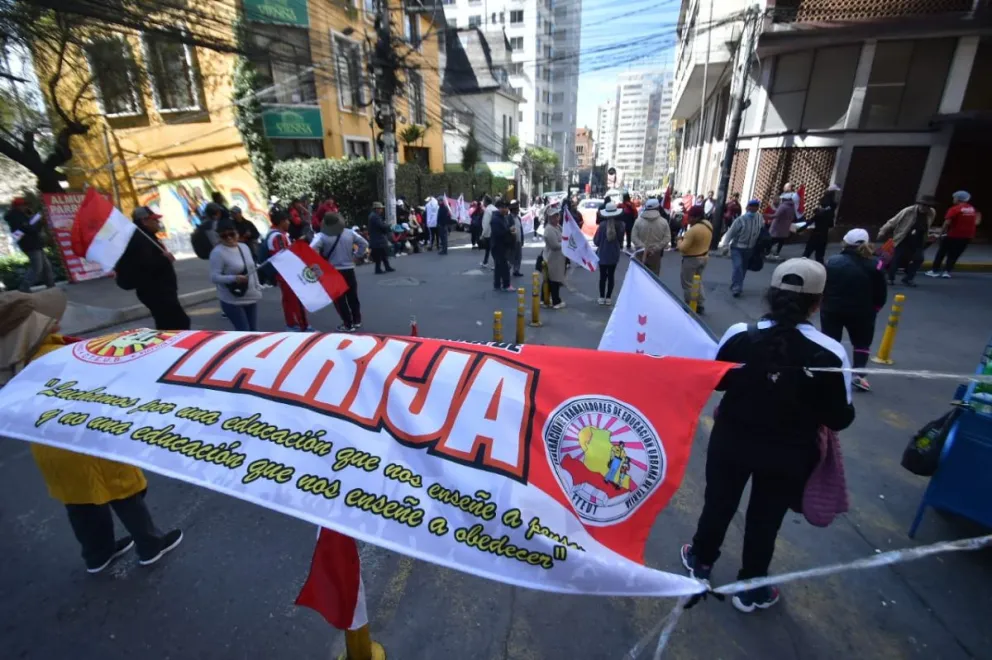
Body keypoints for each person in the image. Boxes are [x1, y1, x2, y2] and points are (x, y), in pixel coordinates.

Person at [681, 258, 855, 612]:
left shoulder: (739, 335)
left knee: (719, 503)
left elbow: (717, 382)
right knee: (765, 518)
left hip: (731, 441)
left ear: (770, 294)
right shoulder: (831, 353)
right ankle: (751, 587)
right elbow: (839, 418)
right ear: (817, 302)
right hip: (789, 453)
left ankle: (701, 561)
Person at [0, 289, 183, 573]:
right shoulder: (60, 355)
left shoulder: (12, 366)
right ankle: (150, 544)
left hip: (49, 447)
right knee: (124, 492)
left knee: (79, 501)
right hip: (88, 438)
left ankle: (98, 554)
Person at [822, 229, 887, 392]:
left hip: (832, 309)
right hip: (862, 312)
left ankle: (830, 372)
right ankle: (859, 375)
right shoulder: (876, 264)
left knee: (831, 341)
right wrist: (875, 308)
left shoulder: (832, 261)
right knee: (861, 343)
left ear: (845, 243)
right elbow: (881, 292)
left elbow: (824, 286)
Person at [115, 207, 190, 330]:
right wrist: (165, 259)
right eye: (154, 220)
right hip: (157, 292)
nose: (158, 223)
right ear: (144, 221)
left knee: (170, 324)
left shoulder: (145, 236)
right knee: (178, 324)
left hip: (160, 291)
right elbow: (145, 265)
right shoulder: (140, 239)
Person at [312, 211, 368, 331]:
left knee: (339, 300)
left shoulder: (322, 236)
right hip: (349, 269)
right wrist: (357, 256)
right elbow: (364, 243)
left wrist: (319, 265)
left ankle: (348, 324)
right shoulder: (349, 233)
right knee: (352, 296)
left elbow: (312, 250)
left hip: (332, 271)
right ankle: (357, 320)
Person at [210, 216, 262, 331]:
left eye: (231, 234)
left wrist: (257, 286)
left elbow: (251, 268)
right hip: (232, 299)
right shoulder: (217, 253)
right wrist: (233, 278)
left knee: (254, 332)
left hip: (250, 296)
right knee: (244, 331)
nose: (229, 238)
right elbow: (214, 277)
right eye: (224, 236)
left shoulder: (244, 247)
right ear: (219, 237)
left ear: (237, 233)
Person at [877, 194, 936, 287]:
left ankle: (908, 279)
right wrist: (882, 232)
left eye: (927, 206)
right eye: (923, 205)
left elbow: (928, 225)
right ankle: (890, 278)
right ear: (919, 204)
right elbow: (892, 222)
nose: (925, 208)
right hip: (904, 237)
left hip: (919, 239)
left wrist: (929, 234)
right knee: (897, 258)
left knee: (919, 259)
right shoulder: (908, 211)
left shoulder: (931, 213)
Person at [267, 208, 311, 331]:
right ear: (281, 221)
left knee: (287, 301)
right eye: (287, 220)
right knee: (296, 301)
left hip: (281, 274)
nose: (289, 223)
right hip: (287, 274)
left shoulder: (272, 235)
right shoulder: (279, 237)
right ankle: (304, 326)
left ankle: (291, 324)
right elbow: (283, 255)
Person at [5, 197, 55, 292]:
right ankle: (24, 287)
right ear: (18, 206)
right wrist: (38, 224)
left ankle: (51, 286)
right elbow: (27, 229)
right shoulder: (15, 217)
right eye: (24, 205)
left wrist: (33, 218)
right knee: (37, 267)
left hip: (35, 243)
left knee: (46, 266)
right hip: (30, 245)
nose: (26, 207)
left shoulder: (24, 215)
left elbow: (29, 227)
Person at [926, 190, 980, 279]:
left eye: (954, 198)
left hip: (953, 235)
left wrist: (941, 233)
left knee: (941, 252)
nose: (953, 199)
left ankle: (935, 271)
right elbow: (977, 221)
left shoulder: (954, 209)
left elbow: (947, 222)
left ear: (957, 199)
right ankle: (947, 271)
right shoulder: (972, 209)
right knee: (954, 254)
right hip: (967, 236)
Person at [720, 198, 764, 298]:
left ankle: (736, 283)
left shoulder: (759, 218)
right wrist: (725, 246)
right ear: (747, 207)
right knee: (738, 266)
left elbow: (762, 229)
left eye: (756, 206)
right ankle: (737, 288)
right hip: (737, 248)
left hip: (750, 248)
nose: (753, 208)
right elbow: (730, 234)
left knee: (743, 268)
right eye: (751, 206)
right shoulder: (740, 220)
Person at [678, 204, 713, 313]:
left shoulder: (693, 231)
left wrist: (679, 240)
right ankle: (700, 304)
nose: (689, 219)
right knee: (698, 281)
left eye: (691, 217)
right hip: (704, 257)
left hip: (691, 259)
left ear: (697, 217)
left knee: (688, 283)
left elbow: (683, 248)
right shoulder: (708, 225)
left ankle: (689, 304)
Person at [630, 199, 670, 276]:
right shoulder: (663, 222)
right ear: (658, 208)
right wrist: (655, 248)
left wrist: (644, 248)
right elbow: (667, 238)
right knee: (653, 279)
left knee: (640, 277)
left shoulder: (638, 221)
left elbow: (633, 237)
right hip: (655, 255)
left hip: (640, 254)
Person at [594, 202, 623, 305]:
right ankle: (609, 297)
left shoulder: (601, 226)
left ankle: (601, 297)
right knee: (611, 276)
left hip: (602, 254)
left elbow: (596, 241)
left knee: (602, 276)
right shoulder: (620, 225)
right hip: (614, 254)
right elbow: (620, 241)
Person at [803, 186, 839, 263]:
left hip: (815, 234)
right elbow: (831, 225)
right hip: (824, 235)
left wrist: (800, 228)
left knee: (807, 253)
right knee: (819, 256)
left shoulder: (819, 213)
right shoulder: (830, 214)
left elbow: (810, 221)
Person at [542, 207, 566, 309]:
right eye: (554, 217)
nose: (557, 218)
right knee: (554, 281)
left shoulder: (557, 227)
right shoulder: (549, 229)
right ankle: (556, 301)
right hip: (552, 259)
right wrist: (564, 243)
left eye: (557, 216)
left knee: (549, 280)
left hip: (557, 259)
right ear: (550, 218)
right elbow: (554, 245)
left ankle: (544, 299)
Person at [490, 198, 514, 292]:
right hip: (498, 246)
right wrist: (509, 231)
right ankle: (506, 285)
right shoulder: (496, 219)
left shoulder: (503, 218)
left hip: (502, 245)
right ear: (498, 208)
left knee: (499, 266)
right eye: (503, 208)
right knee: (504, 265)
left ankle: (497, 284)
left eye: (506, 208)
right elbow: (498, 233)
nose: (505, 209)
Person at [368, 201, 395, 275]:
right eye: (380, 208)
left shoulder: (374, 216)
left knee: (383, 254)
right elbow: (381, 226)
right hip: (377, 238)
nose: (381, 210)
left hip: (377, 238)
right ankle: (378, 269)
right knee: (379, 255)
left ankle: (386, 267)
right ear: (376, 209)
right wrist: (388, 226)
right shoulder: (375, 217)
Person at [768, 193, 796, 260]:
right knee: (781, 241)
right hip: (786, 227)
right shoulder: (792, 207)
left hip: (778, 227)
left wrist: (767, 215)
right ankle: (777, 253)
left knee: (772, 240)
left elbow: (776, 215)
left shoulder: (783, 206)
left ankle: (769, 253)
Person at [509, 199, 524, 276]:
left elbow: (520, 229)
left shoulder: (518, 218)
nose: (518, 210)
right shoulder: (509, 218)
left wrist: (522, 240)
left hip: (518, 240)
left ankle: (516, 270)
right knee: (511, 257)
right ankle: (506, 270)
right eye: (517, 209)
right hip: (512, 241)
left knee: (518, 257)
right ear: (513, 210)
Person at [480, 195, 496, 268]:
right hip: (495, 231)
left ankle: (496, 264)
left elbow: (486, 223)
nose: (482, 202)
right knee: (489, 248)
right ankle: (485, 262)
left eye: (483, 201)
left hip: (489, 233)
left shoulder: (487, 210)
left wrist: (482, 234)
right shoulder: (495, 208)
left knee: (492, 249)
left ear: (486, 202)